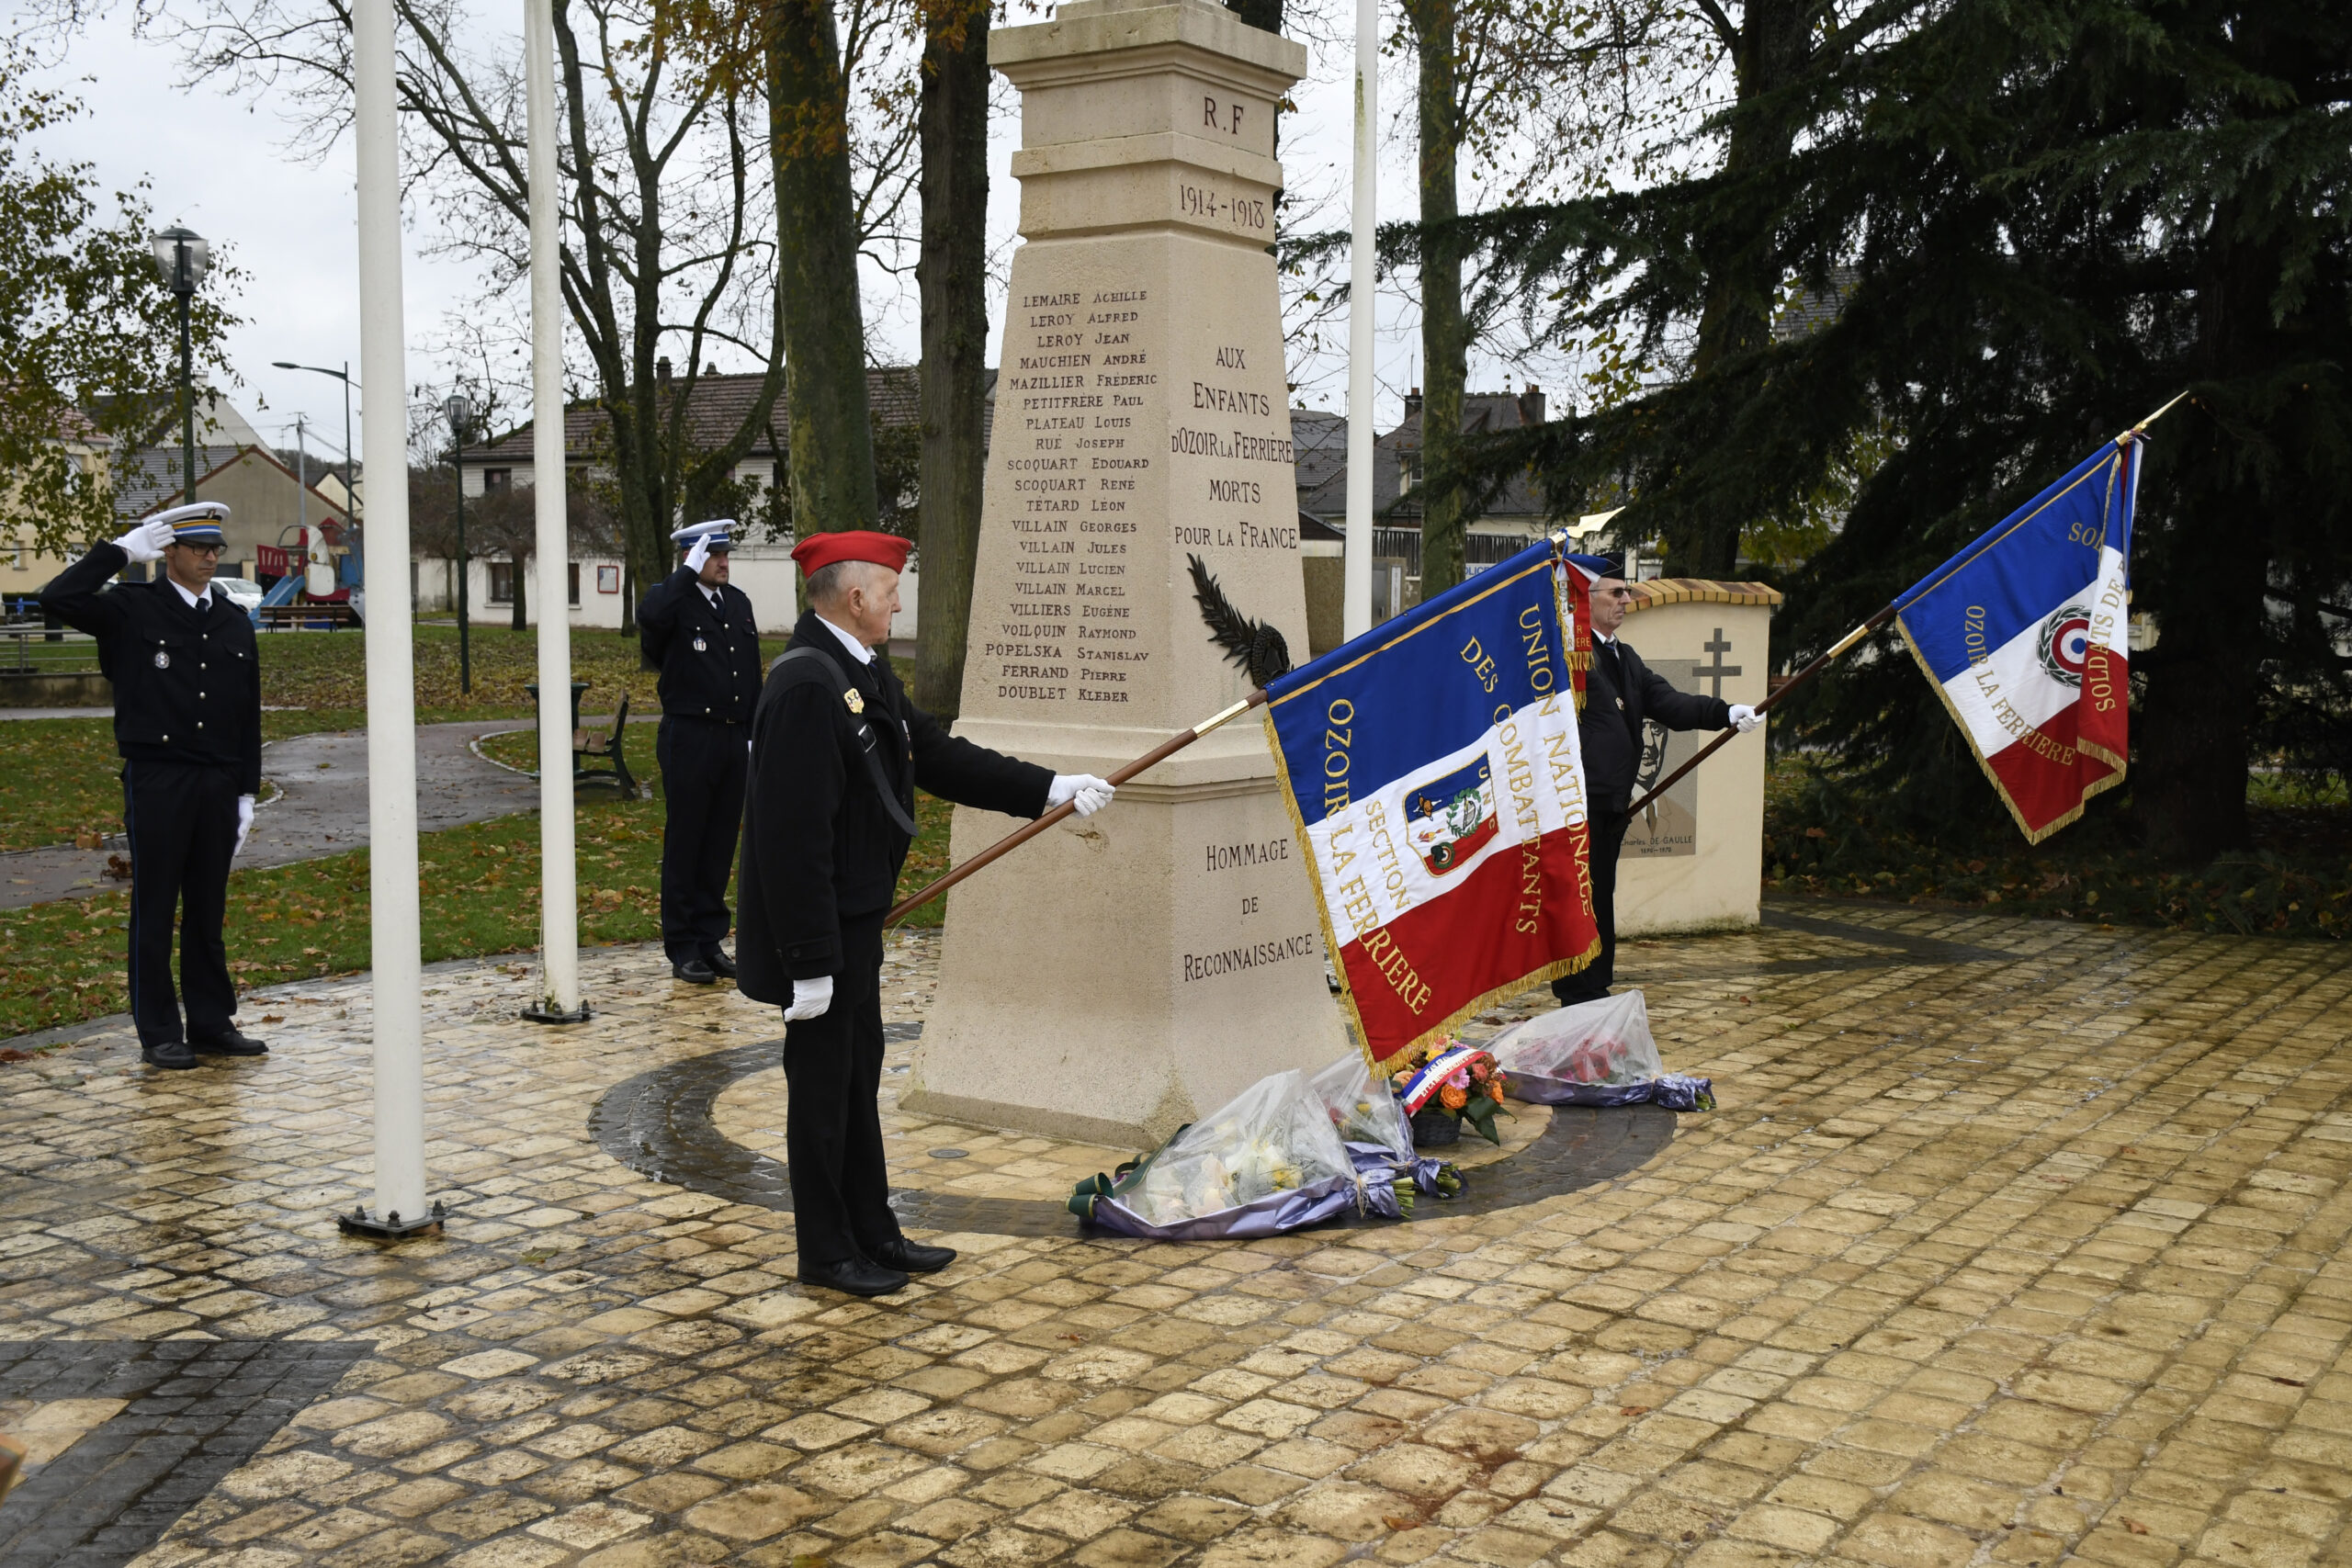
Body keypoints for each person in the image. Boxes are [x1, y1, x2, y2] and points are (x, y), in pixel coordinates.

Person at [739, 530, 1114, 1297]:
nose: (898, 600)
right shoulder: (809, 684)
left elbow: (936, 755)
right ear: (854, 598)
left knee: (856, 1077)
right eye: (890, 588)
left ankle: (872, 1230)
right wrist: (809, 962)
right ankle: (826, 1250)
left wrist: (1051, 788)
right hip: (822, 931)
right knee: (821, 1093)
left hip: (853, 918)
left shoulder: (859, 670)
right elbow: (791, 838)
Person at [41, 503, 267, 1069]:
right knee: (155, 906)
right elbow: (57, 599)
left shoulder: (233, 619)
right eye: (197, 548)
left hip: (217, 781)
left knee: (207, 909)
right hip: (159, 778)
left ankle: (212, 1021)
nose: (210, 557)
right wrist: (117, 552)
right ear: (167, 551)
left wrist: (246, 791)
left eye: (215, 548)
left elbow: (247, 712)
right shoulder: (132, 608)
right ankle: (160, 1030)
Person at [1555, 555, 1761, 1007]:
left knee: (1601, 895)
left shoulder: (1624, 658)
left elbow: (1668, 702)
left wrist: (1723, 713)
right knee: (1580, 899)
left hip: (1611, 805)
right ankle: (1578, 994)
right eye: (1616, 592)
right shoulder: (1569, 658)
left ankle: (1596, 987)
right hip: (1576, 803)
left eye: (1626, 591)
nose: (1626, 599)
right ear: (1587, 600)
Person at [639, 519, 763, 984]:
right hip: (690, 736)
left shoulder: (738, 603)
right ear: (693, 558)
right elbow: (650, 619)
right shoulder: (674, 601)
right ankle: (683, 946)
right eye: (713, 556)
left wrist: (754, 731)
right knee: (687, 842)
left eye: (726, 554)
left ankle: (710, 941)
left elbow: (751, 672)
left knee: (719, 843)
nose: (724, 563)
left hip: (733, 738)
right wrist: (684, 575)